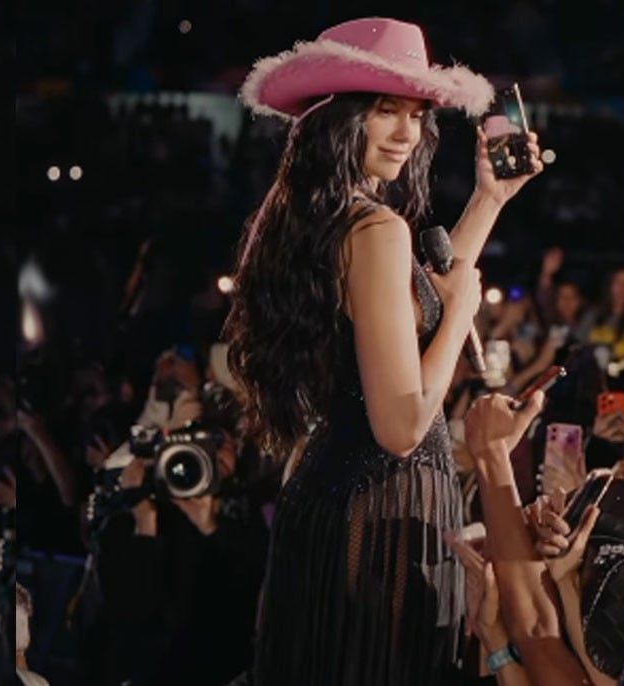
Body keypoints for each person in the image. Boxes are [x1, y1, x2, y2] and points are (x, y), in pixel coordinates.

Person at [224, 17, 544, 685]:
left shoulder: (321, 216)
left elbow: (420, 310)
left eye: (417, 115)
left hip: (339, 503)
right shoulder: (376, 228)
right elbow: (401, 427)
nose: (407, 133)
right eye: (385, 111)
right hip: (382, 510)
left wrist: (489, 200)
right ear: (340, 119)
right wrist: (463, 316)